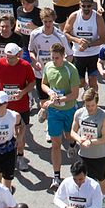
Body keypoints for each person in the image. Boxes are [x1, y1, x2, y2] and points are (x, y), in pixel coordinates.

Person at [40, 43, 81, 190]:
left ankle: (72, 145)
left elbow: (75, 94)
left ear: (64, 56)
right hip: (54, 112)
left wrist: (61, 99)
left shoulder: (71, 70)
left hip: (69, 110)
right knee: (56, 144)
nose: (54, 60)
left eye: (57, 58)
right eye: (52, 58)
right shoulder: (49, 67)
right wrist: (50, 93)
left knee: (69, 135)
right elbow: (43, 84)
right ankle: (56, 176)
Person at [71, 88, 105, 208]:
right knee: (85, 179)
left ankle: (104, 197)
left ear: (97, 103)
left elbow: (104, 138)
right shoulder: (79, 113)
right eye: (87, 105)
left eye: (93, 105)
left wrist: (91, 141)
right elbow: (72, 132)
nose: (90, 108)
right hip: (83, 154)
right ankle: (88, 201)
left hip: (99, 155)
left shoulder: (104, 116)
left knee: (101, 179)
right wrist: (79, 139)